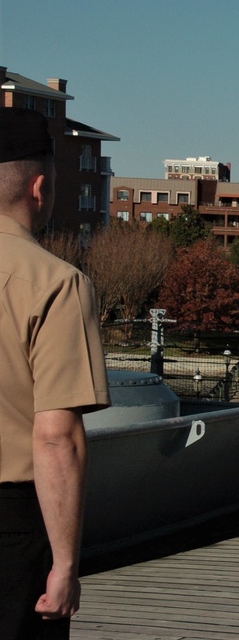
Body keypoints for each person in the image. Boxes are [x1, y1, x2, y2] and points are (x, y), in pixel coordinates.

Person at [0, 108, 110, 639]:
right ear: (38, 188)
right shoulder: (54, 283)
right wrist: (65, 563)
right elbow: (56, 437)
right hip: (13, 526)